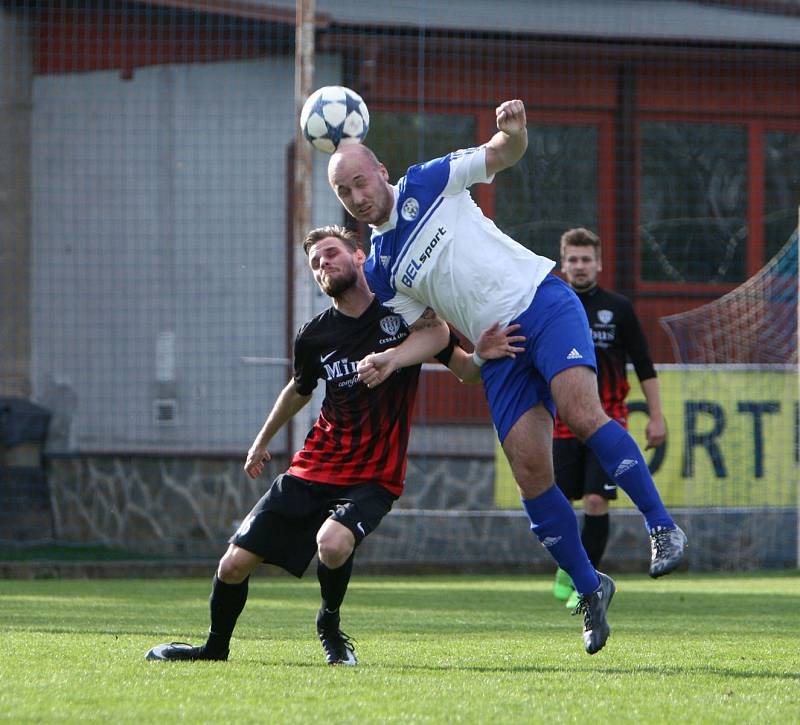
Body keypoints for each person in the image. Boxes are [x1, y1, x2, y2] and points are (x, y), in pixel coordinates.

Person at [328, 99, 687, 655]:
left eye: (360, 182)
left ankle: (662, 525)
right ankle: (592, 590)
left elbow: (503, 153)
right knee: (529, 473)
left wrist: (512, 133)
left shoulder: (428, 180)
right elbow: (432, 333)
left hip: (540, 302)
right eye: (344, 193)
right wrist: (415, 355)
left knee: (579, 411)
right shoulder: (380, 265)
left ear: (380, 171)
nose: (357, 198)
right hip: (497, 350)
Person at [145, 225, 523, 666]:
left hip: (374, 476)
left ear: (358, 255)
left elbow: (463, 368)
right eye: (316, 263)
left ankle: (329, 624)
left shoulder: (401, 313)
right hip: (313, 467)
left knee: (333, 542)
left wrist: (481, 354)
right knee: (231, 566)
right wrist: (261, 440)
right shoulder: (314, 336)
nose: (324, 265)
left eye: (331, 254)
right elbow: (300, 388)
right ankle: (215, 649)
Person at [552, 227, 668, 609]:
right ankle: (572, 566)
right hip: (560, 424)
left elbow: (645, 366)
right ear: (563, 263)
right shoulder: (550, 304)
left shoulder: (618, 308)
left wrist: (657, 417)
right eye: (573, 259)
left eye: (587, 259)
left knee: (596, 502)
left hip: (608, 421)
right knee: (559, 503)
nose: (580, 266)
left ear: (598, 264)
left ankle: (587, 587)